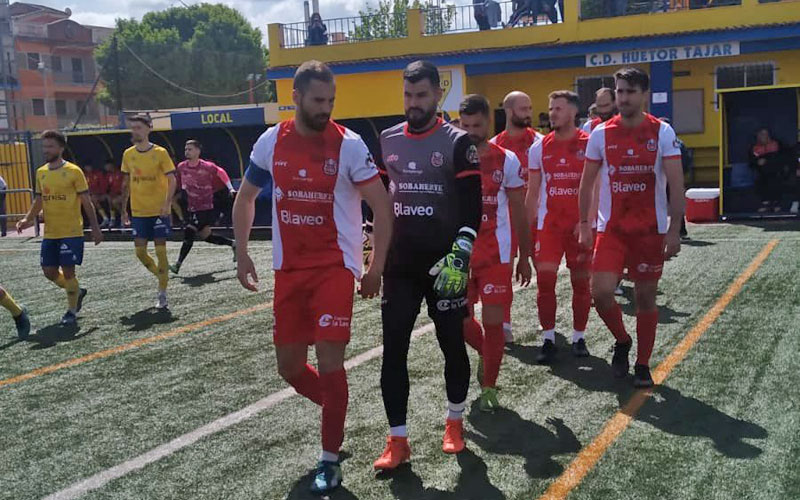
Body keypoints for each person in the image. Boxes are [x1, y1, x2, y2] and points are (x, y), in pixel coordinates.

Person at [233, 60, 392, 494]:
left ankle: (329, 460)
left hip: (334, 268)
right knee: (288, 367)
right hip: (288, 270)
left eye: (331, 100)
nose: (327, 108)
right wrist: (242, 252)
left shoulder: (350, 145)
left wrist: (374, 266)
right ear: (297, 98)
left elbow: (382, 206)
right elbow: (246, 198)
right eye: (319, 100)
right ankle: (335, 408)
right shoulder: (272, 141)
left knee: (329, 361)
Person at [373, 60, 482, 470]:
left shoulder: (458, 142)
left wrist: (461, 255)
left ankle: (455, 422)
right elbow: (381, 199)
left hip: (446, 265)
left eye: (421, 95)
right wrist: (374, 247)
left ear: (439, 94)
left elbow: (474, 207)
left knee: (451, 345)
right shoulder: (387, 139)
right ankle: (397, 440)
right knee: (393, 350)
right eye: (407, 95)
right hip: (400, 265)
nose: (413, 103)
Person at [577, 67, 685, 388]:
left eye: (629, 92)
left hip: (649, 231)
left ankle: (642, 363)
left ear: (644, 95)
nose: (623, 98)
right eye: (619, 91)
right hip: (611, 230)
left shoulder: (662, 132)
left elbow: (676, 184)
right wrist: (584, 223)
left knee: (645, 299)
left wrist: (674, 228)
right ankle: (622, 340)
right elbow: (587, 184)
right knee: (601, 293)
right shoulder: (601, 134)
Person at [458, 94, 531, 412]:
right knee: (457, 322)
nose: (471, 131)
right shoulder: (451, 156)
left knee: (494, 322)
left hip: (496, 255)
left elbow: (519, 211)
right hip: (459, 254)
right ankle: (488, 357)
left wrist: (524, 255)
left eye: (476, 124)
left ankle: (489, 385)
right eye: (465, 125)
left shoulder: (507, 161)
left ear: (489, 121)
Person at [527, 90, 593, 363]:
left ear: (573, 112)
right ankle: (549, 338)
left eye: (558, 108)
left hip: (578, 226)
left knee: (580, 283)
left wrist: (588, 222)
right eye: (551, 108)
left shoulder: (590, 144)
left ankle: (579, 337)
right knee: (545, 281)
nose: (552, 113)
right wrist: (528, 230)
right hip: (549, 227)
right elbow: (533, 192)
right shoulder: (539, 147)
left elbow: (597, 188)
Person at [17, 130, 103, 325]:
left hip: (71, 231)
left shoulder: (74, 171)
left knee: (69, 272)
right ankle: (77, 291)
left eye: (50, 146)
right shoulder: (41, 172)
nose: (46, 150)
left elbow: (86, 201)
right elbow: (39, 200)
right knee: (49, 271)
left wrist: (95, 227)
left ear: (61, 148)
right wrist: (27, 219)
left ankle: (71, 311)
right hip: (51, 232)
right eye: (44, 146)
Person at [490, 90, 542, 344]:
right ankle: (505, 323)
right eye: (524, 109)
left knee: (546, 271)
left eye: (530, 108)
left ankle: (550, 328)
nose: (529, 113)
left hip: (540, 219)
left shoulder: (541, 143)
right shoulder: (495, 146)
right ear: (509, 111)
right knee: (504, 273)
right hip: (506, 220)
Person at [120, 115, 177, 310]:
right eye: (133, 128)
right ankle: (162, 275)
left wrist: (167, 203)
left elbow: (173, 180)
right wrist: (123, 210)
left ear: (148, 129)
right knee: (140, 252)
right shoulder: (128, 154)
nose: (135, 131)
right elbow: (126, 184)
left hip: (159, 211)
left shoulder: (160, 153)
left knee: (160, 251)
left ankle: (162, 292)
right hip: (138, 211)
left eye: (138, 127)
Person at [170, 140, 236, 275]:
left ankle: (178, 264)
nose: (187, 151)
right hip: (192, 207)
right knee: (207, 236)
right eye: (185, 149)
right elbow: (181, 181)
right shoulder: (181, 166)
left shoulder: (207, 166)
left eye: (190, 149)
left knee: (189, 232)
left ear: (197, 151)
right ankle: (233, 244)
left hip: (206, 207)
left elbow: (221, 172)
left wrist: (230, 188)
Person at [749, 127, 789, 213]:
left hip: (776, 170)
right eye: (761, 135)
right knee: (760, 180)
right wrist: (757, 162)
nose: (764, 137)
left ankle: (776, 203)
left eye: (765, 134)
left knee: (775, 180)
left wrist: (768, 161)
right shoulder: (754, 147)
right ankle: (765, 203)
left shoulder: (777, 144)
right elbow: (751, 162)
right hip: (761, 172)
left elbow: (783, 157)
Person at [85, 163, 110, 228]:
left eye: (89, 166)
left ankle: (105, 218)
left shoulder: (98, 174)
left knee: (93, 199)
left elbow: (103, 186)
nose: (88, 168)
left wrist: (97, 192)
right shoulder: (86, 175)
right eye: (86, 167)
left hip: (101, 194)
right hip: (90, 195)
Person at [106, 159, 125, 228]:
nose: (106, 167)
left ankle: (125, 217)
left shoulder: (120, 173)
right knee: (109, 199)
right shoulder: (109, 175)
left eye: (108, 165)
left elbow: (124, 186)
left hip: (124, 194)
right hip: (114, 194)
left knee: (115, 201)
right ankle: (112, 218)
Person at [0, 173, 6, 237]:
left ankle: (3, 231)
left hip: (1, 190)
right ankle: (3, 231)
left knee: (1, 210)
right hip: (2, 187)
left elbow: (3, 186)